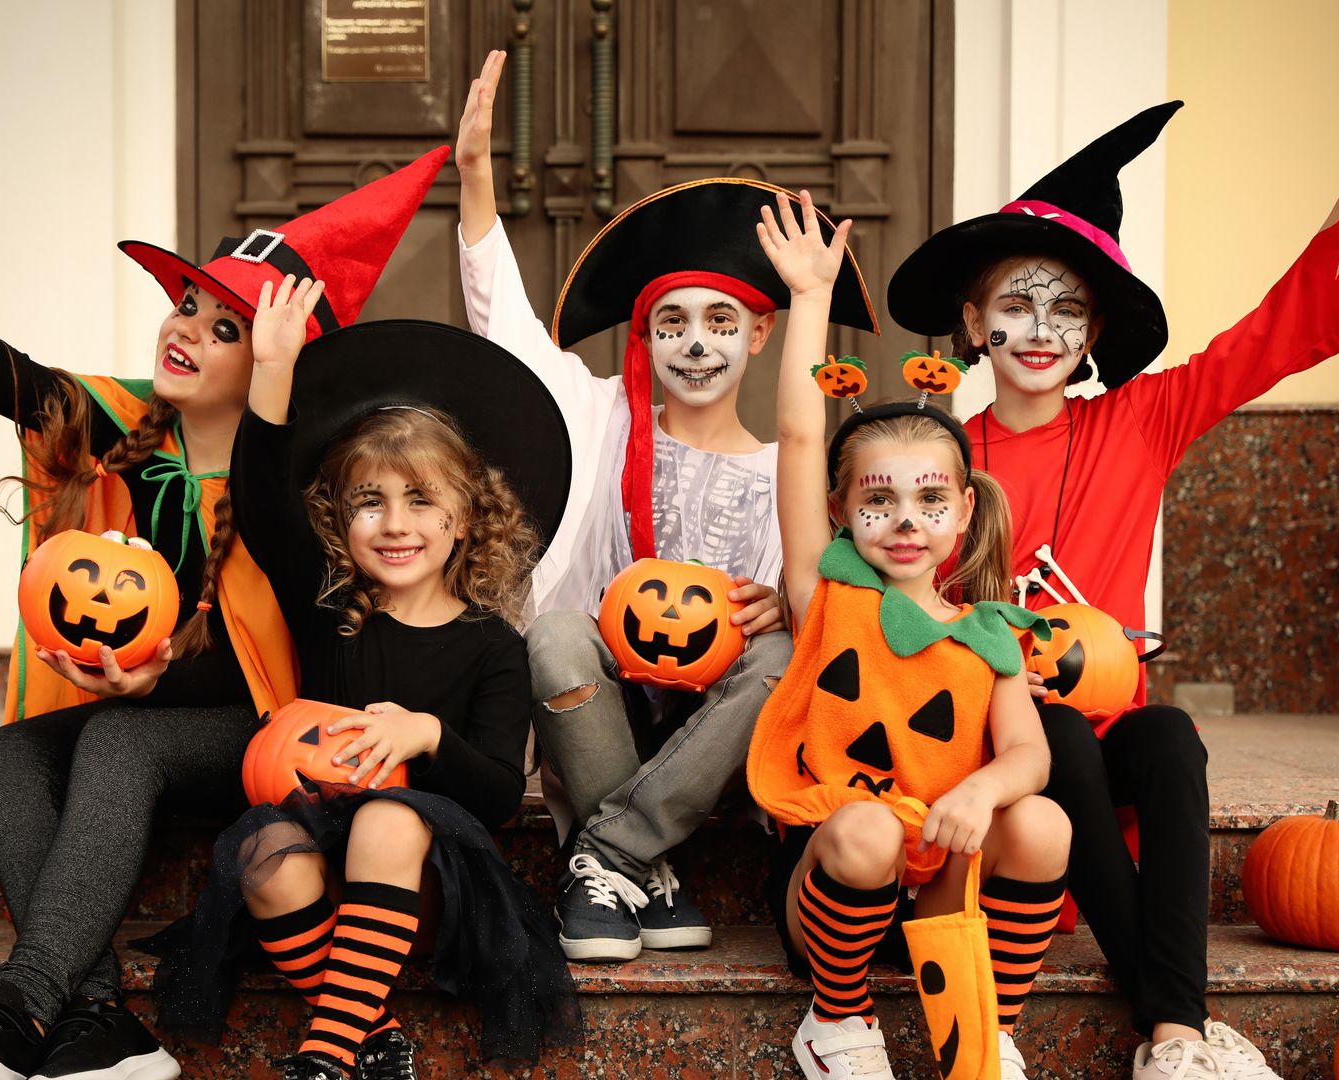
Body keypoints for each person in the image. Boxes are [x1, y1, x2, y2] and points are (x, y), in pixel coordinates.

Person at [0, 149, 448, 1080]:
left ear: (273, 357)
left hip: (260, 738)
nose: (188, 331)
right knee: (3, 754)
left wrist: (152, 678)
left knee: (117, 745)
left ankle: (21, 999)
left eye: (227, 327)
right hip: (144, 717)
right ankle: (96, 1020)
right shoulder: (126, 428)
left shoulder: (304, 480)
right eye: (187, 306)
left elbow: (260, 660)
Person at [881, 43, 1339, 1080]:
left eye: (1067, 309)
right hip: (1002, 769)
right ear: (973, 323)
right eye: (1015, 306)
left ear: (1096, 333)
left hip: (1107, 764)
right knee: (1056, 730)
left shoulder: (1142, 420)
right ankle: (1178, 1025)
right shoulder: (933, 459)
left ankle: (1173, 1039)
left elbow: (1271, 336)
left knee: (1167, 734)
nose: (1040, 328)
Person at [454, 51, 876, 962]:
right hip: (602, 704)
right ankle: (645, 870)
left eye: (720, 324)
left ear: (760, 335)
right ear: (643, 333)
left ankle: (608, 853)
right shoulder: (597, 412)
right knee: (557, 634)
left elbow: (806, 595)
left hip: (712, 736)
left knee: (775, 651)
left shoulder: (779, 473)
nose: (695, 344)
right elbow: (504, 323)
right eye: (672, 322)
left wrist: (783, 601)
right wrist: (477, 179)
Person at [141, 292, 580, 1080]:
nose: (394, 523)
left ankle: (323, 1056)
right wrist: (272, 367)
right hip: (319, 870)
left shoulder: (493, 647)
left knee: (385, 816)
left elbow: (491, 793)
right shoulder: (328, 608)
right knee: (268, 858)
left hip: (433, 886)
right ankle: (370, 1035)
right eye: (368, 503)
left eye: (421, 500)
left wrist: (428, 736)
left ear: (466, 518)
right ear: (339, 522)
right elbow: (263, 489)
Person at [745, 188, 1072, 1080]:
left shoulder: (989, 632)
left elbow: (1029, 757)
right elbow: (796, 433)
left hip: (940, 882)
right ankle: (836, 1022)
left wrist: (982, 795)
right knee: (867, 833)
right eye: (877, 499)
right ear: (842, 512)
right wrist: (810, 300)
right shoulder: (828, 594)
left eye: (930, 499)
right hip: (840, 877)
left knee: (1040, 825)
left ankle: (987, 1026)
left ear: (964, 510)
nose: (904, 519)